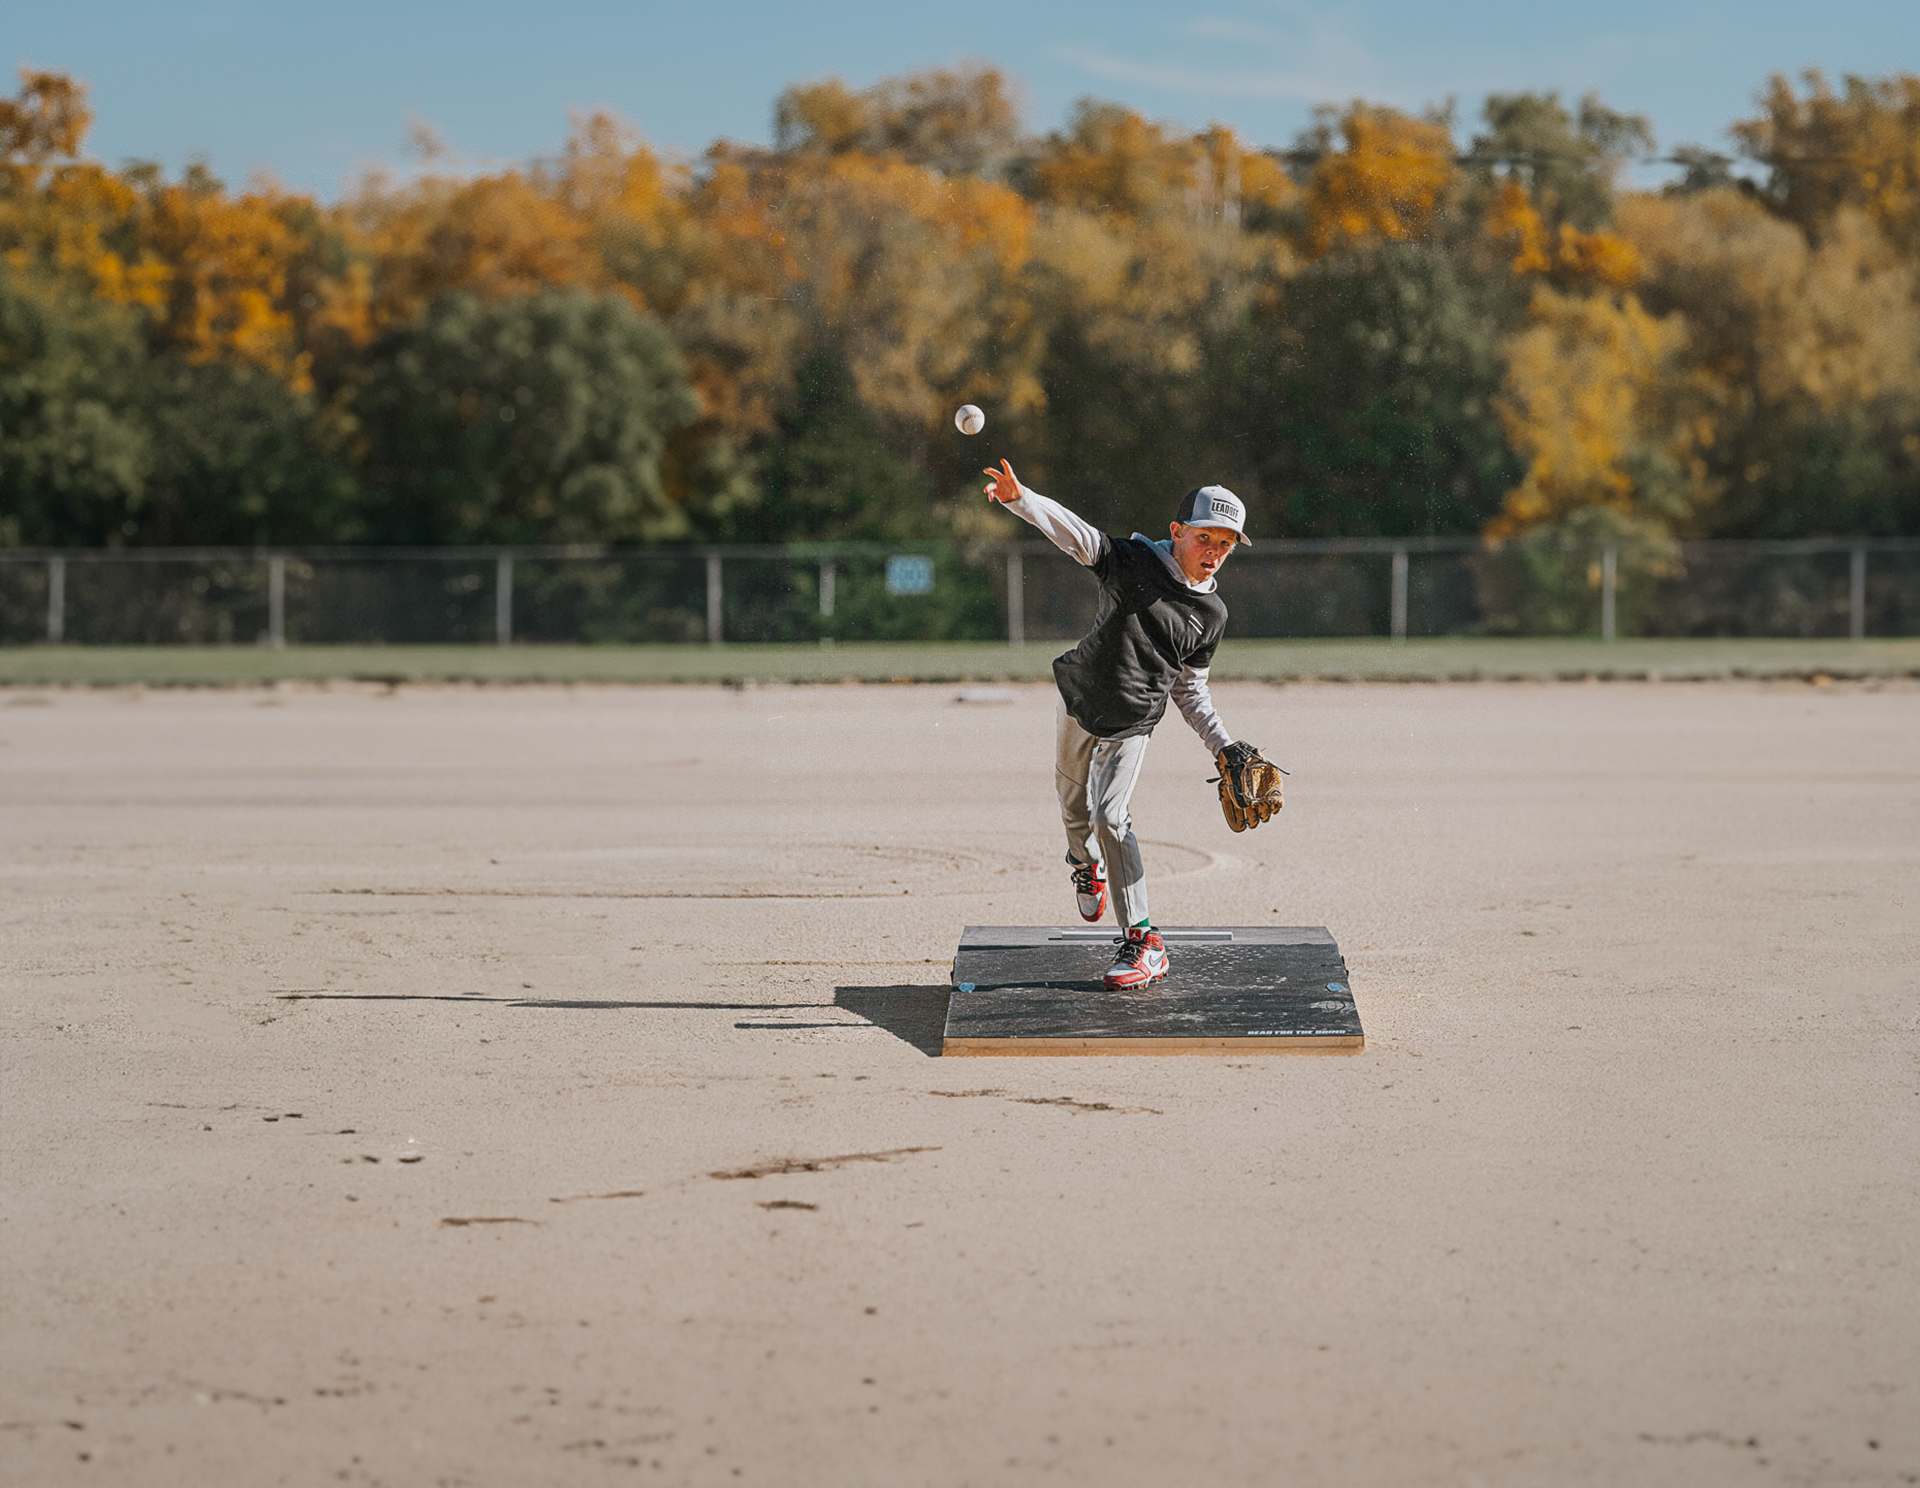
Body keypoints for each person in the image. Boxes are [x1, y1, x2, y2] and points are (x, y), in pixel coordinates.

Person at [983, 457, 1258, 990]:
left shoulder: (1211, 616)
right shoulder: (1130, 561)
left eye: (1226, 544)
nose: (1214, 551)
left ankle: (1145, 942)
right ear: (1177, 531)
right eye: (1205, 537)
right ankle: (1085, 865)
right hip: (1078, 699)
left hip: (1133, 722)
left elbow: (1190, 690)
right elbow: (1075, 535)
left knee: (1111, 818)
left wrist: (1223, 747)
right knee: (1073, 809)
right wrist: (1022, 500)